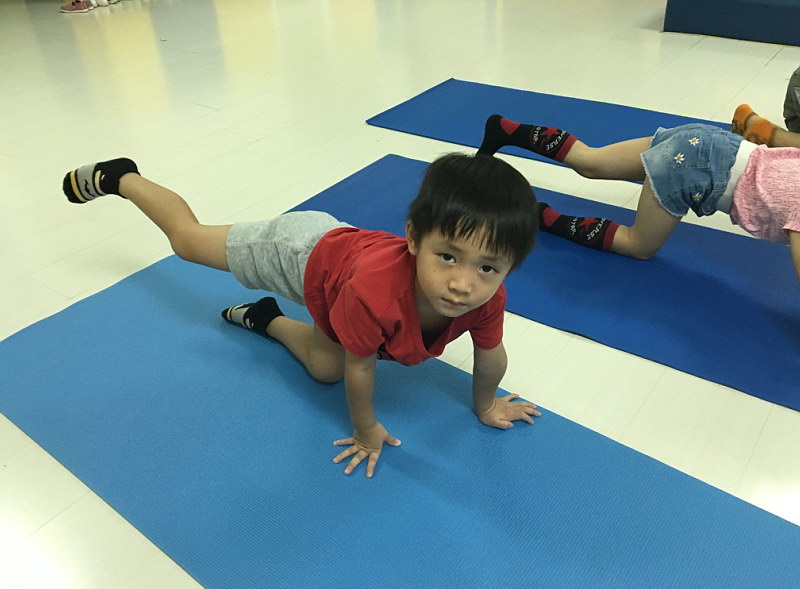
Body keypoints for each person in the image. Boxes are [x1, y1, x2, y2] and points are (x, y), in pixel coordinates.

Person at [61, 153, 542, 478]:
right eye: (448, 257)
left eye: (487, 267)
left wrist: (486, 406)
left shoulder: (485, 297)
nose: (463, 284)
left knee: (324, 369)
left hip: (340, 284)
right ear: (414, 238)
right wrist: (365, 429)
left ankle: (264, 318)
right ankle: (122, 177)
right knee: (188, 241)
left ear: (509, 268)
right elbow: (362, 366)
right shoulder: (375, 295)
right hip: (301, 252)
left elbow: (490, 355)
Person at [477, 115, 800, 282]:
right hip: (692, 169)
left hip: (712, 142)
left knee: (591, 161)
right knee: (638, 245)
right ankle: (541, 216)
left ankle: (505, 129)